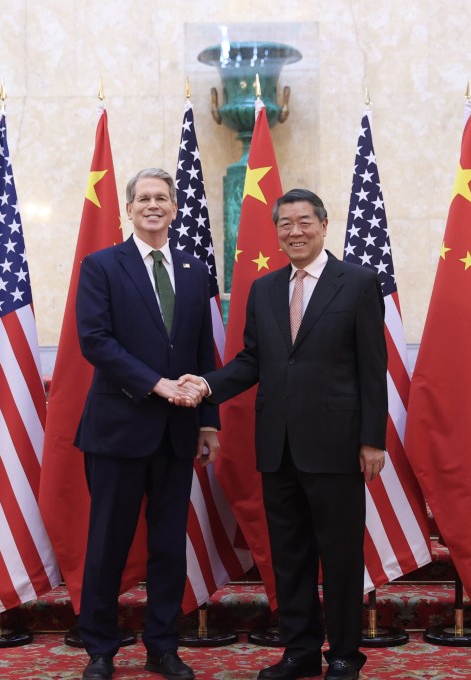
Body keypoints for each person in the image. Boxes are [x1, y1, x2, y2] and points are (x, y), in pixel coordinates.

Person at [177, 189, 387, 680]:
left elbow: (372, 368)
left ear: (324, 224)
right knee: (289, 557)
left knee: (339, 557)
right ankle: (300, 652)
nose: (295, 231)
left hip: (337, 446)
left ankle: (343, 656)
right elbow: (253, 361)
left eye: (304, 222)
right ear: (277, 232)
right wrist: (208, 384)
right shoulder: (266, 289)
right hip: (278, 447)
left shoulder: (356, 283)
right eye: (285, 224)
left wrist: (371, 439)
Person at [74, 168, 220, 680]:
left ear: (175, 208)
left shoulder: (195, 268)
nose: (153, 206)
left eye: (162, 198)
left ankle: (162, 645)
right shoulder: (101, 266)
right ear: (128, 210)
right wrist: (155, 384)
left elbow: (204, 347)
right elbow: (94, 341)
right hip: (118, 428)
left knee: (167, 547)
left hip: (178, 433)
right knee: (108, 543)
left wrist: (209, 421)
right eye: (143, 199)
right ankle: (100, 649)